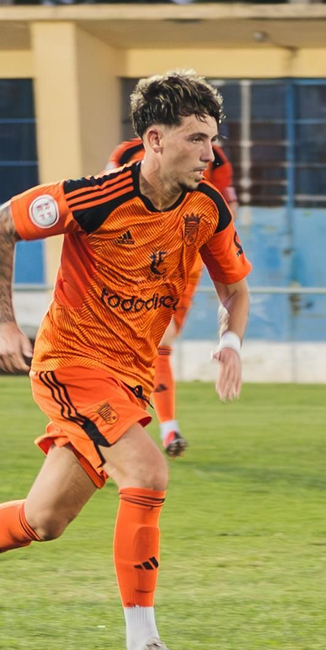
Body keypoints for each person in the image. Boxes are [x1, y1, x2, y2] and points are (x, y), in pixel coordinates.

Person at [0, 70, 252, 650]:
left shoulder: (206, 208)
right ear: (155, 140)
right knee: (147, 472)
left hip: (128, 379)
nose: (210, 154)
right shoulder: (96, 197)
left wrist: (230, 342)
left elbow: (235, 287)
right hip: (72, 365)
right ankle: (145, 645)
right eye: (197, 139)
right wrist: (5, 324)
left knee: (43, 520)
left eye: (213, 139)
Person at [103, 137, 237, 457]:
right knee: (131, 342)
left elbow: (226, 209)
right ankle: (153, 427)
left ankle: (161, 427)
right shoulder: (126, 153)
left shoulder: (215, 156)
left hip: (184, 259)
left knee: (162, 338)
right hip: (133, 256)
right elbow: (105, 200)